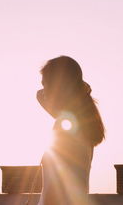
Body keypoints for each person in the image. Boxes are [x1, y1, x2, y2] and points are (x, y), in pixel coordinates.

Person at [36, 56, 105, 205]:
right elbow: (39, 95)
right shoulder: (78, 124)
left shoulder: (65, 128)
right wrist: (80, 88)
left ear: (58, 86)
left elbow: (56, 187)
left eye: (46, 84)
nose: (44, 90)